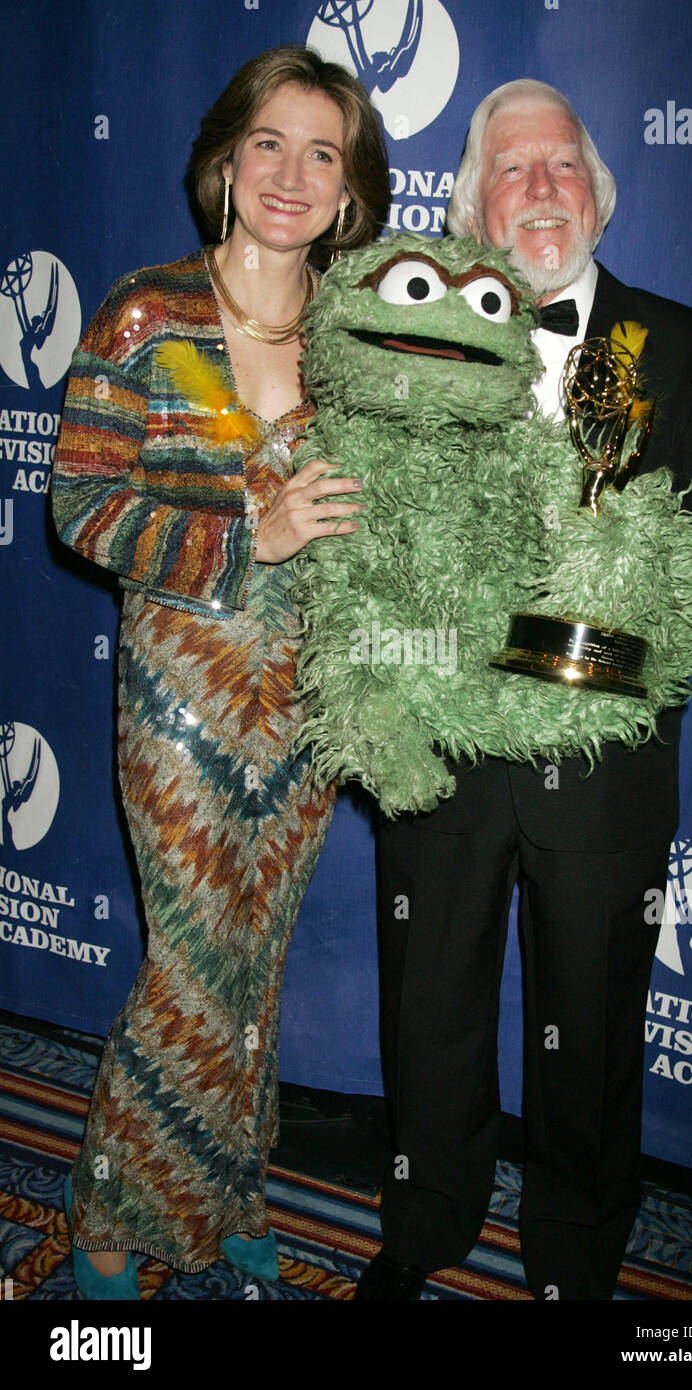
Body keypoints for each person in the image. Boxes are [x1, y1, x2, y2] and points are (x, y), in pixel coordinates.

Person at [356, 79, 692, 1301]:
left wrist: (622, 605)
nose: (538, 189)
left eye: (559, 168)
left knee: (589, 1023)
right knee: (427, 997)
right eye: (510, 170)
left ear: (595, 192)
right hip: (441, 740)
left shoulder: (683, 347)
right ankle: (423, 1222)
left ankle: (577, 1250)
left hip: (603, 758)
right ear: (472, 208)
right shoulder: (410, 342)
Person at [52, 45, 389, 1299]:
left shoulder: (363, 341)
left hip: (310, 703)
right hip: (183, 698)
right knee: (189, 967)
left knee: (258, 962)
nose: (292, 175)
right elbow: (80, 506)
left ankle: (230, 1191)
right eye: (269, 143)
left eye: (323, 153)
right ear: (224, 162)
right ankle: (103, 1218)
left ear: (351, 192)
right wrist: (251, 531)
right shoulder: (147, 312)